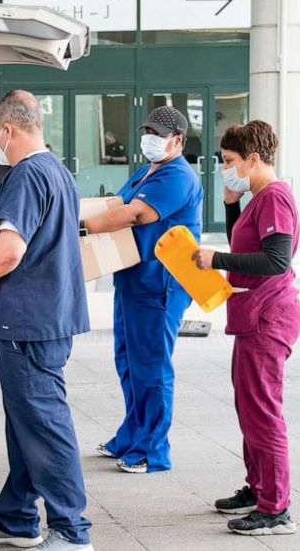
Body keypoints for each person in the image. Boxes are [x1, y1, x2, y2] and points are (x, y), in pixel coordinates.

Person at [0, 90, 92, 551]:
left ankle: (71, 530)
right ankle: (17, 519)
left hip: (27, 323)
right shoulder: (57, 170)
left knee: (43, 423)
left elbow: (11, 249)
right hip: (46, 316)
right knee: (25, 423)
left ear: (7, 129)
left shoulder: (24, 176)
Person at [193, 121, 300, 536]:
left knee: (262, 412)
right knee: (249, 407)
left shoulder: (274, 196)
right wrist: (230, 204)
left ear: (254, 159)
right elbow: (248, 243)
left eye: (231, 161)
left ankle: (276, 509)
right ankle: (259, 489)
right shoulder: (258, 197)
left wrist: (215, 259)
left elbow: (276, 261)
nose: (226, 167)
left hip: (268, 317)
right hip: (254, 314)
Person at [82, 106, 203, 474]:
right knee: (129, 362)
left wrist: (80, 226)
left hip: (159, 284)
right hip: (133, 279)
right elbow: (117, 204)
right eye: (147, 130)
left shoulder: (177, 176)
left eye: (159, 133)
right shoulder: (147, 170)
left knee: (151, 366)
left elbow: (135, 214)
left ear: (178, 140)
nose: (149, 138)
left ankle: (153, 449)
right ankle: (132, 434)